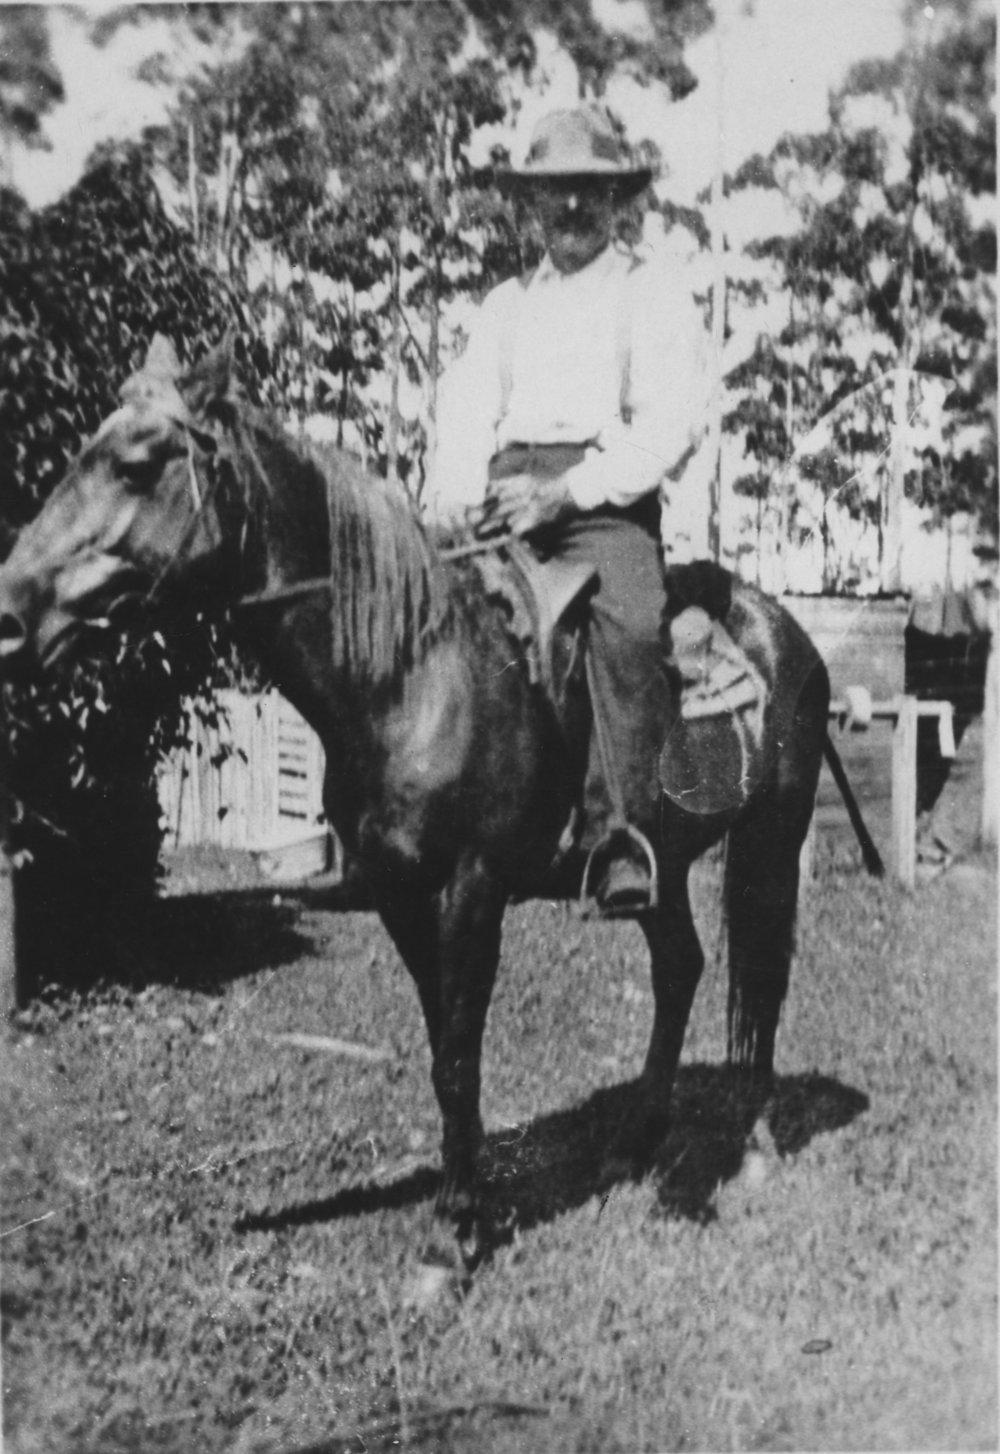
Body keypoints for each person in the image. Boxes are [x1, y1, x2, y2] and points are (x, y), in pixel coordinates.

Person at [425, 105, 755, 914]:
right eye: (554, 192)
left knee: (630, 625)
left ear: (615, 200)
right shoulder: (503, 307)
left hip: (601, 503)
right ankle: (420, 821)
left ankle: (618, 838)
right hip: (505, 498)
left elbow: (667, 426)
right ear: (529, 204)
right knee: (424, 620)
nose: (570, 208)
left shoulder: (647, 292)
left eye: (587, 190)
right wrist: (454, 503)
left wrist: (565, 492)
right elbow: (462, 414)